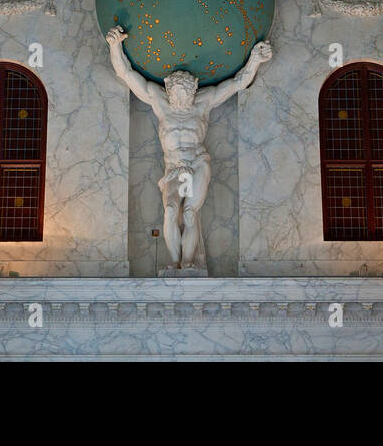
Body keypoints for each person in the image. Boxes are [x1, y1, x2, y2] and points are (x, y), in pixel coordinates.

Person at [106, 26, 272, 272]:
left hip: (197, 162)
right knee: (172, 210)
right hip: (174, 167)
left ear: (194, 88)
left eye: (186, 92)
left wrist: (255, 60)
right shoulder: (159, 101)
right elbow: (126, 73)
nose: (181, 97)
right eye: (176, 92)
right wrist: (115, 45)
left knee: (192, 214)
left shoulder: (203, 102)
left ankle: (188, 263)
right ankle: (173, 263)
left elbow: (238, 82)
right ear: (168, 89)